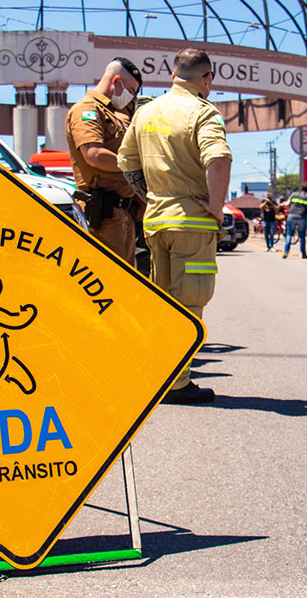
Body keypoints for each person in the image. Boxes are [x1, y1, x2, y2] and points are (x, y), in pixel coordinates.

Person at [117, 48, 232, 405]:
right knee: (190, 303)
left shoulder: (146, 112)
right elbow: (219, 159)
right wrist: (215, 210)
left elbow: (126, 162)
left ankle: (162, 377)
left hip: (156, 221)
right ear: (207, 78)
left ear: (173, 74)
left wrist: (151, 194)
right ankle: (178, 384)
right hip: (190, 224)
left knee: (164, 303)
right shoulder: (202, 112)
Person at [65, 57, 144, 264]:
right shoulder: (87, 110)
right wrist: (135, 168)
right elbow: (95, 156)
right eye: (132, 90)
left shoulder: (118, 115)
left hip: (124, 213)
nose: (132, 97)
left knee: (126, 282)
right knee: (112, 282)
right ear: (116, 81)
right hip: (103, 214)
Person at [282, 182, 307, 259]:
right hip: (302, 217)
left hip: (291, 216)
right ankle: (303, 253)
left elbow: (287, 204)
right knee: (302, 236)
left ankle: (286, 252)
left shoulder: (294, 194)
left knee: (289, 234)